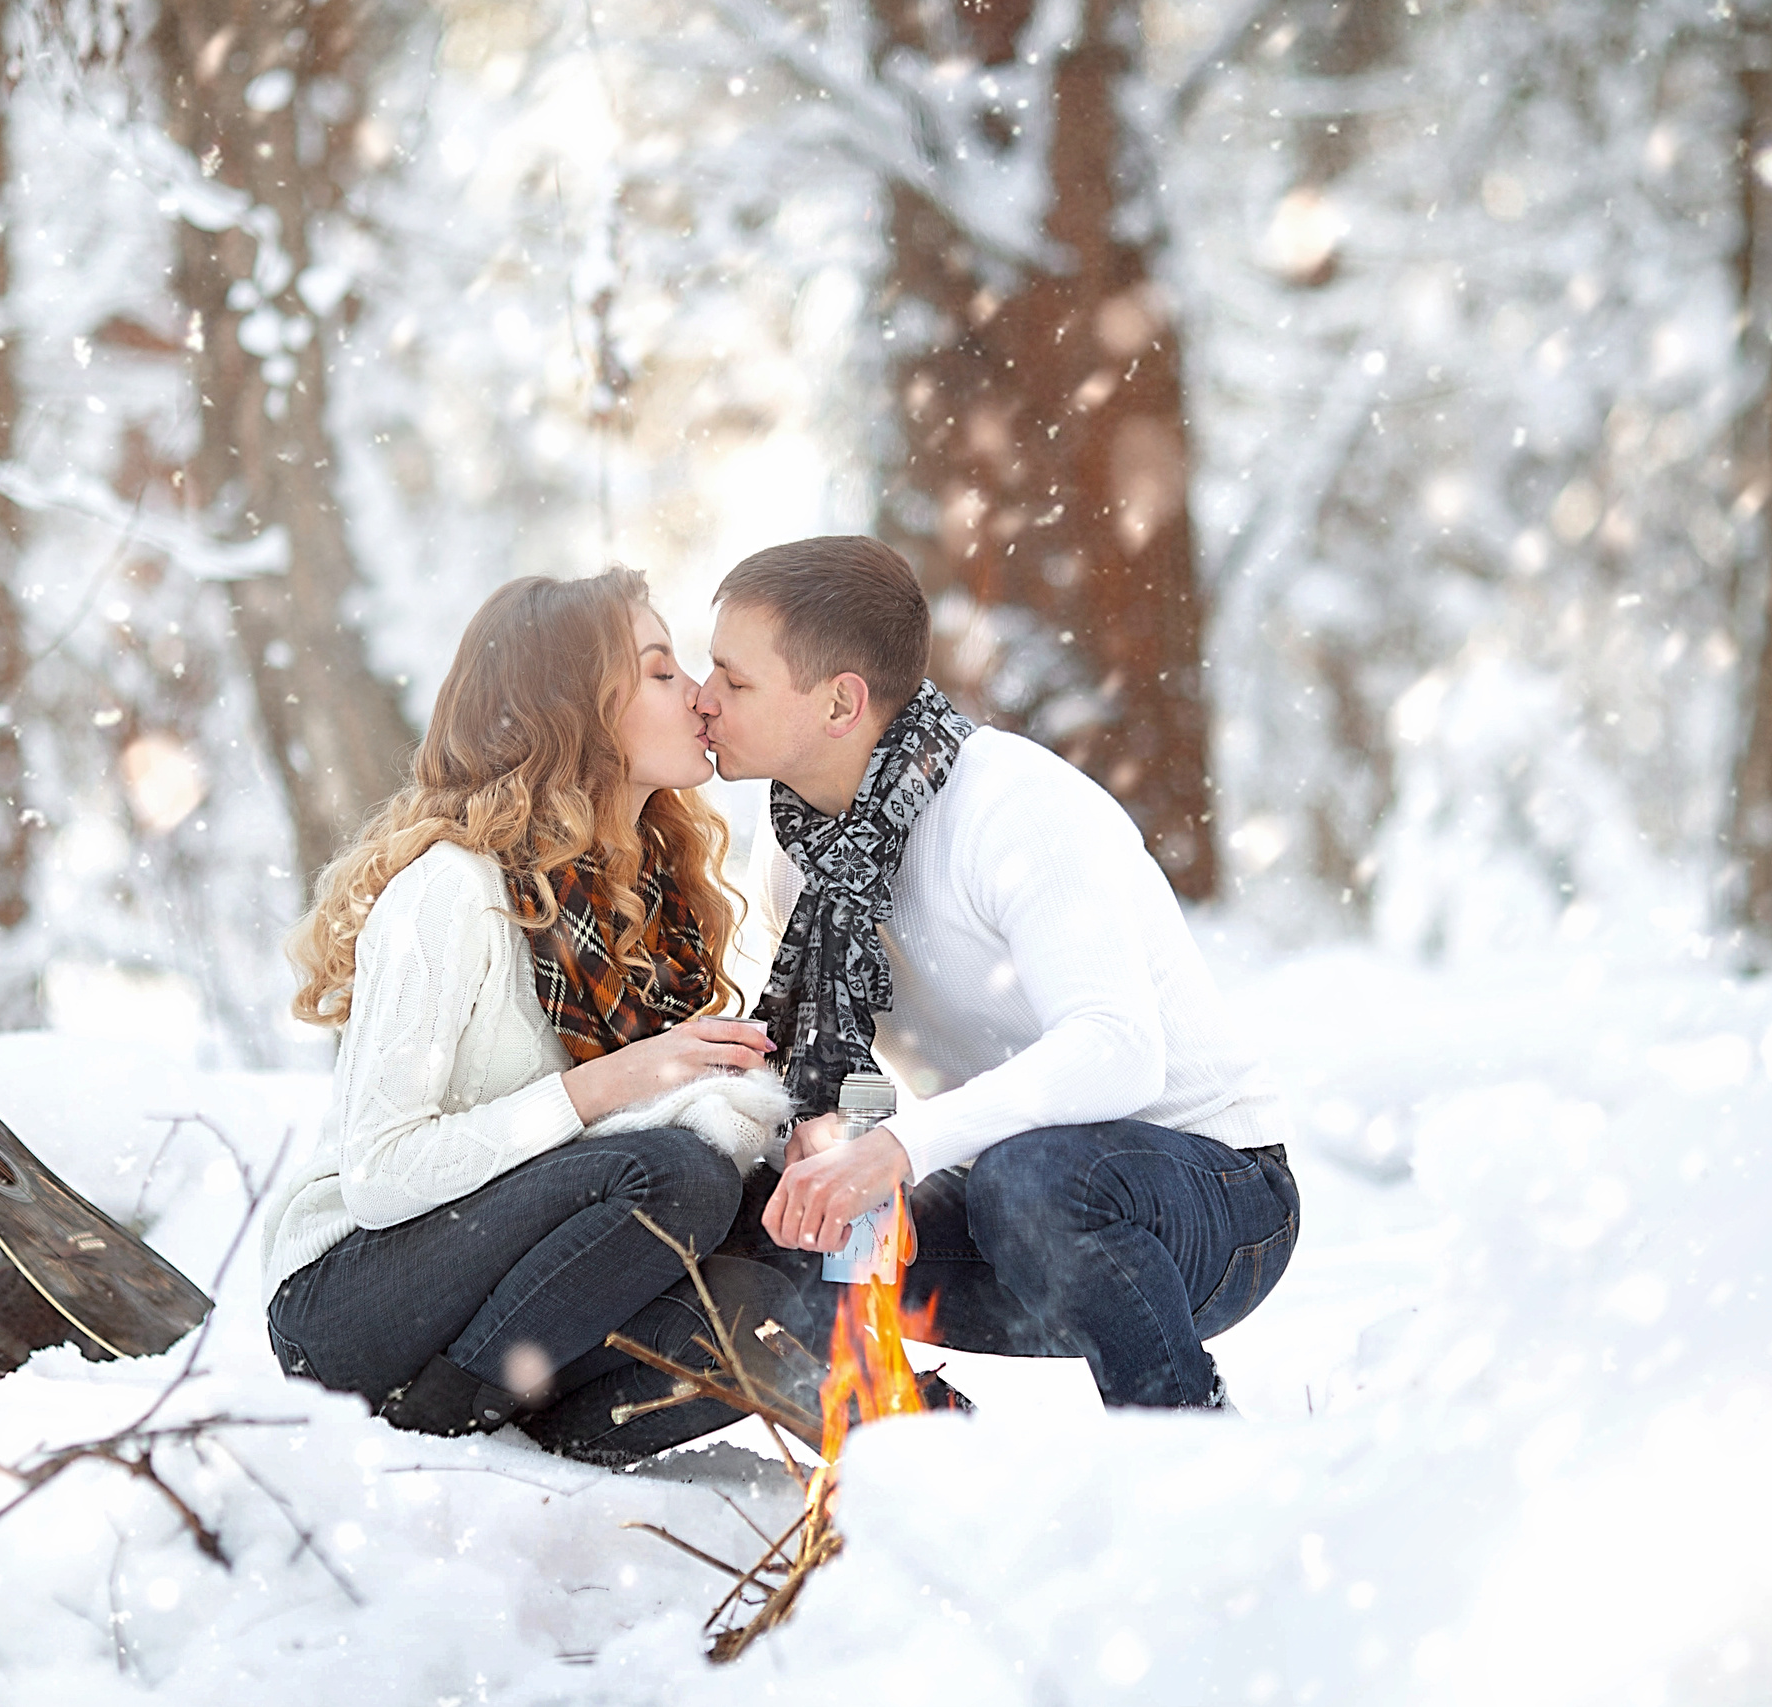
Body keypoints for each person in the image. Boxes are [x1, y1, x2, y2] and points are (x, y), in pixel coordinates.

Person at [696, 536, 1299, 1411]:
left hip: (1214, 1204)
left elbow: (1118, 1051)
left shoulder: (1012, 804)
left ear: (840, 703)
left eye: (734, 680)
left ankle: (1182, 1436)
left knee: (1037, 1178)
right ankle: (922, 1443)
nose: (704, 700)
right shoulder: (802, 842)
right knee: (764, 1220)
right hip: (1004, 1210)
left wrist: (901, 1150)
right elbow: (806, 1056)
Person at [261, 568, 816, 1463]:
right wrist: (610, 1084)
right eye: (662, 670)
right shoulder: (452, 890)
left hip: (503, 1316)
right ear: (574, 709)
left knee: (788, 1236)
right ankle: (448, 1430)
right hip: (350, 1304)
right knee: (677, 1177)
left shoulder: (651, 902)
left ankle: (550, 1437)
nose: (701, 696)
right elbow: (381, 1175)